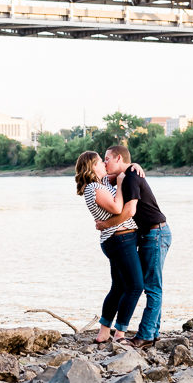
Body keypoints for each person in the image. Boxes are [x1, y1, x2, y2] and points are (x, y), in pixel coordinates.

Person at [96, 145, 172, 349]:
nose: (105, 163)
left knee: (152, 287)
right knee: (150, 286)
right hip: (149, 234)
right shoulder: (127, 174)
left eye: (107, 159)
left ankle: (146, 335)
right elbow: (102, 182)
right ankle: (152, 333)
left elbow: (129, 211)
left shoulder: (130, 176)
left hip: (156, 233)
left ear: (118, 158)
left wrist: (105, 225)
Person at [75, 151, 144, 343]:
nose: (104, 164)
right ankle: (120, 333)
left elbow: (123, 169)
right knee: (136, 285)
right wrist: (121, 184)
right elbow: (116, 208)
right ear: (92, 167)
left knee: (119, 286)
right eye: (100, 162)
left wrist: (135, 165)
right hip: (119, 240)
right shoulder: (93, 188)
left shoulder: (103, 183)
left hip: (118, 239)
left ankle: (103, 333)